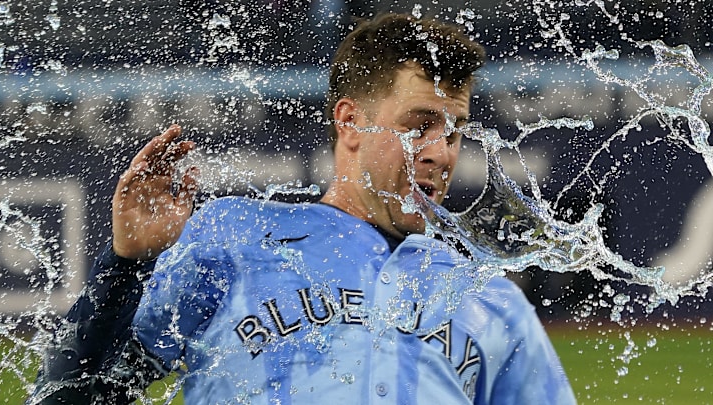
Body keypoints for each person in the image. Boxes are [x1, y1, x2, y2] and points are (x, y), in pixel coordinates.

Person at [30, 13, 576, 405]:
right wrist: (127, 264)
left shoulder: (487, 296)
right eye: (418, 126)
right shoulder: (234, 240)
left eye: (455, 132)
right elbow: (73, 396)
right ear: (349, 122)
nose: (441, 152)